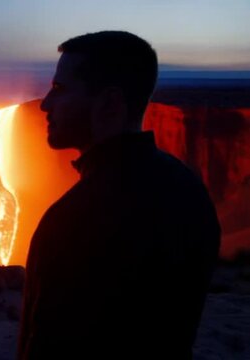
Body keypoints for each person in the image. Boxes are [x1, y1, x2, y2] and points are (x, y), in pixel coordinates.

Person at [17, 31, 220, 359]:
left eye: (59, 89)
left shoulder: (74, 220)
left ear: (110, 104)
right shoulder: (188, 191)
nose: (44, 104)